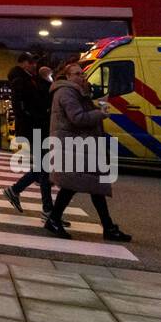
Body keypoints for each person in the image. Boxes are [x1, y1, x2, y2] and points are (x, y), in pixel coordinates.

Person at [43, 60, 131, 243]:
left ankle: (107, 226)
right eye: (77, 74)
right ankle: (57, 219)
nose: (82, 76)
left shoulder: (74, 91)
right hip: (73, 144)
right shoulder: (66, 92)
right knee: (80, 184)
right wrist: (100, 112)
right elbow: (78, 118)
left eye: (82, 73)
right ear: (67, 77)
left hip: (80, 144)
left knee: (91, 184)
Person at [2, 52, 57, 219]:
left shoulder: (28, 79)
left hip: (35, 127)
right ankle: (48, 209)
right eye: (30, 62)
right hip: (34, 128)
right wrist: (39, 116)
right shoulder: (21, 81)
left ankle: (16, 190)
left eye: (34, 62)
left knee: (43, 166)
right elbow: (28, 105)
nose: (34, 65)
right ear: (22, 63)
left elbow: (40, 98)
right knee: (44, 167)